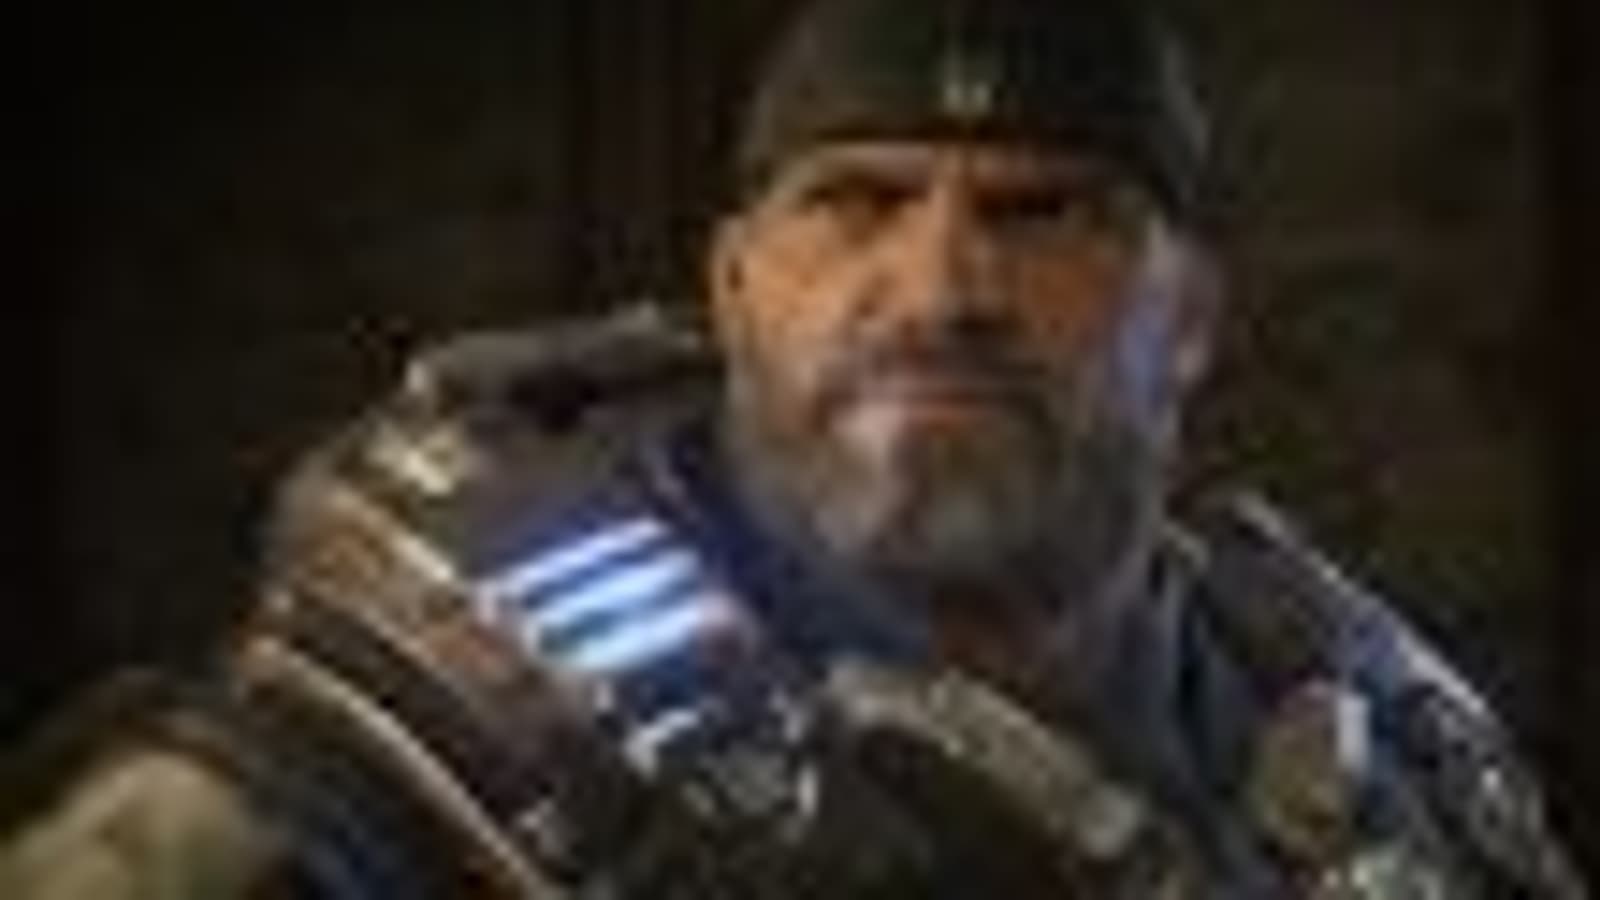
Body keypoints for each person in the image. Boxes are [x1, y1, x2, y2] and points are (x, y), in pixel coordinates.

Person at [2, 0, 1586, 896]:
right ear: (734, 287)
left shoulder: (1382, 746)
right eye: (858, 201)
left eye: (1045, 213)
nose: (945, 290)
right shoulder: (432, 741)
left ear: (1195, 316)